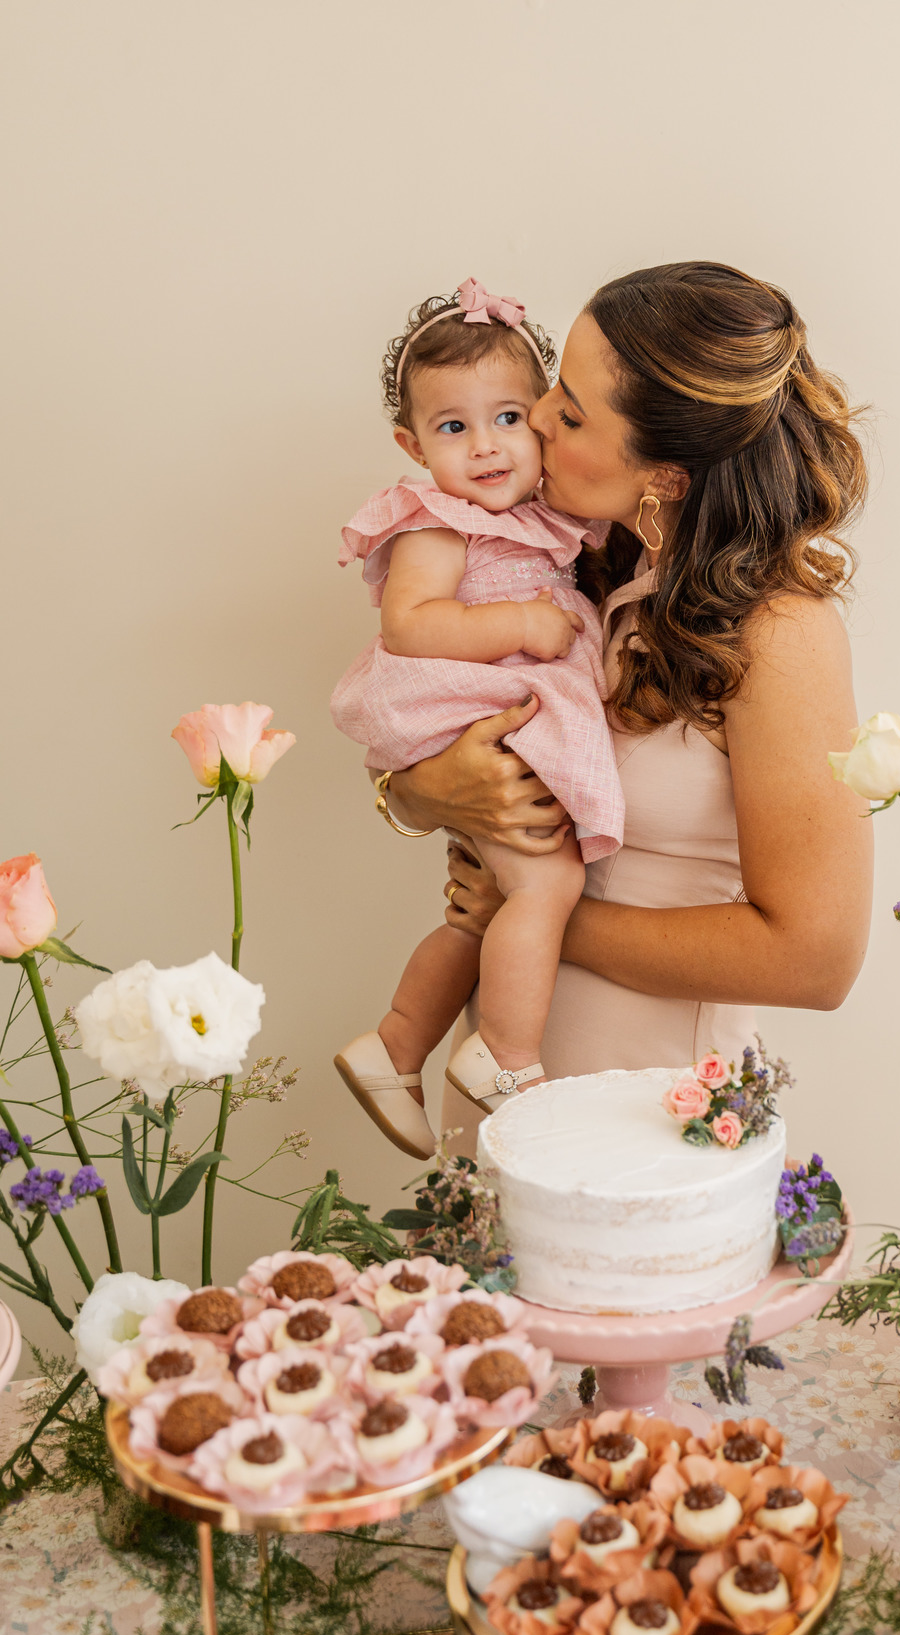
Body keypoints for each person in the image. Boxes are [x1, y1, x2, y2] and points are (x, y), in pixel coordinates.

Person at [371, 261, 874, 1150]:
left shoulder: (779, 633)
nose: (533, 421)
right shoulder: (579, 574)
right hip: (501, 1077)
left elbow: (816, 957)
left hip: (647, 1104)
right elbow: (455, 735)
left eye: (568, 413)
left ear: (666, 478)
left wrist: (535, 917)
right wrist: (418, 794)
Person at [331, 280, 620, 1157]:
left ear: (541, 419)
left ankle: (394, 1045)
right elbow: (411, 624)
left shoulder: (550, 518)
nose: (487, 447)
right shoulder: (435, 523)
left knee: (479, 912)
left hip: (498, 708)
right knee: (546, 886)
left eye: (506, 419)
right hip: (459, 701)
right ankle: (508, 1053)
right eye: (454, 428)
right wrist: (524, 624)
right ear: (412, 445)